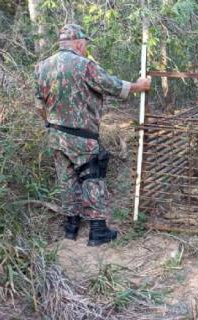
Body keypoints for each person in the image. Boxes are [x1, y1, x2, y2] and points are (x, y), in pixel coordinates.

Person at [34, 24, 150, 246]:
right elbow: (113, 86)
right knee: (92, 176)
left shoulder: (42, 67)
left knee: (66, 179)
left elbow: (39, 106)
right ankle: (98, 231)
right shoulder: (85, 66)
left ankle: (71, 228)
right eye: (85, 44)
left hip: (55, 135)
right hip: (83, 137)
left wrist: (52, 123)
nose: (86, 49)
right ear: (78, 43)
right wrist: (139, 85)